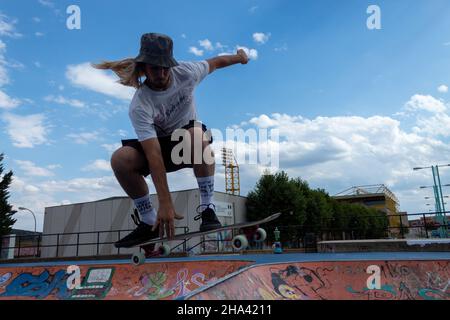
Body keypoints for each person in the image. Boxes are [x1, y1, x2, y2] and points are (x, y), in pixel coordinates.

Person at [93, 33, 249, 248]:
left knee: (195, 133)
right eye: (155, 69)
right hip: (159, 151)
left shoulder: (187, 72)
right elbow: (153, 153)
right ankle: (148, 220)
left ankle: (207, 209)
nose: (162, 74)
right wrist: (165, 202)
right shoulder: (141, 104)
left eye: (165, 67)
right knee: (121, 159)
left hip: (189, 146)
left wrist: (240, 57)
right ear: (144, 68)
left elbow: (217, 62)